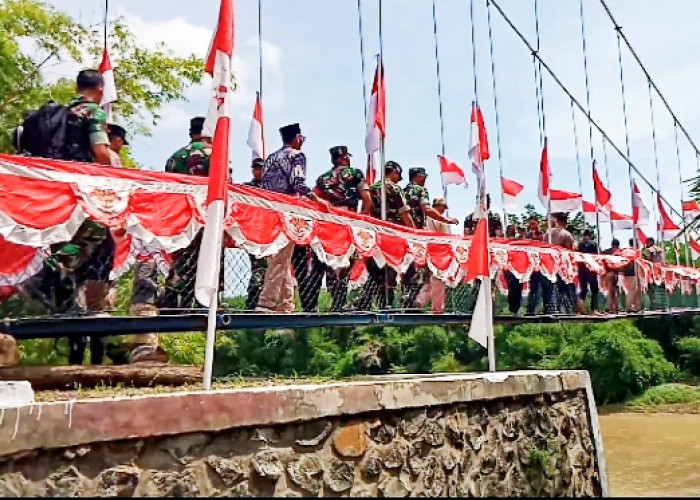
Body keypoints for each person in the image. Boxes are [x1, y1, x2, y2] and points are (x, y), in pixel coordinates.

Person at [24, 70, 115, 365]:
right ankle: (46, 274)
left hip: (53, 192)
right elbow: (100, 151)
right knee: (97, 233)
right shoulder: (92, 113)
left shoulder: (60, 113)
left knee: (69, 259)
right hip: (82, 189)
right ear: (99, 90)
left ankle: (73, 335)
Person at [255, 123, 329, 313]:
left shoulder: (271, 158)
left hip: (269, 209)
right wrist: (316, 199)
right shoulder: (297, 156)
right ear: (296, 138)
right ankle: (266, 302)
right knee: (280, 258)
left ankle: (286, 304)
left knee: (283, 257)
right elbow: (297, 182)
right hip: (287, 211)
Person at [159, 117, 213, 311]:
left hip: (179, 217)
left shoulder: (175, 157)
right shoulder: (214, 155)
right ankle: (203, 304)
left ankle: (172, 302)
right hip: (207, 218)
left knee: (179, 259)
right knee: (208, 258)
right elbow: (225, 187)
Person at [313, 146, 371, 311]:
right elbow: (367, 198)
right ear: (345, 157)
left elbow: (314, 199)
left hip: (329, 223)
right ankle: (340, 300)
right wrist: (363, 218)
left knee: (331, 259)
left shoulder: (322, 178)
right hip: (349, 221)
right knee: (348, 259)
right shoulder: (355, 173)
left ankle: (335, 300)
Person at [358, 162, 414, 310]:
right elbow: (404, 213)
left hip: (374, 234)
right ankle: (386, 305)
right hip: (392, 236)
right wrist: (414, 233)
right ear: (394, 172)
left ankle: (366, 302)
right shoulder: (394, 188)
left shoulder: (372, 188)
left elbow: (366, 209)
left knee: (376, 270)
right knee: (390, 270)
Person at [402, 167, 458, 307]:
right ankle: (433, 306)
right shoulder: (421, 192)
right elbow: (426, 210)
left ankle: (412, 300)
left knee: (414, 273)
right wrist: (446, 220)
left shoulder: (403, 191)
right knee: (436, 278)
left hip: (405, 235)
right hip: (433, 250)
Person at [414, 198, 452, 313]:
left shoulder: (427, 219)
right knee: (438, 279)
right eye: (443, 207)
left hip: (428, 251)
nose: (444, 210)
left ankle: (420, 301)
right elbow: (445, 238)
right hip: (439, 253)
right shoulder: (439, 220)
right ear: (438, 206)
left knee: (429, 280)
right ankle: (438, 307)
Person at [243, 158, 267, 310]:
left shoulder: (271, 188)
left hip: (270, 232)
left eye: (261, 168)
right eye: (256, 168)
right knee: (259, 269)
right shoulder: (247, 188)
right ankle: (253, 302)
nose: (259, 171)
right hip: (254, 233)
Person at [545, 212, 577, 314]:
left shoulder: (548, 233)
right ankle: (566, 309)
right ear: (565, 222)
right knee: (563, 287)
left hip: (549, 263)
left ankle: (550, 308)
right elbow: (569, 251)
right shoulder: (566, 234)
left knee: (550, 287)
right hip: (562, 264)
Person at [576, 229, 600, 314]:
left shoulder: (579, 244)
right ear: (590, 236)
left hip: (581, 270)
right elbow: (597, 257)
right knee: (595, 290)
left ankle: (580, 309)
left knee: (583, 290)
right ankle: (594, 310)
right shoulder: (593, 244)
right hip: (591, 270)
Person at [642, 237, 667, 310]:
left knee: (651, 289)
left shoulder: (648, 250)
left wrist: (644, 255)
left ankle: (653, 305)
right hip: (661, 270)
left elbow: (648, 260)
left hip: (652, 270)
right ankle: (663, 305)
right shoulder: (661, 250)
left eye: (647, 242)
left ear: (650, 242)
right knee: (661, 288)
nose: (646, 244)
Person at [601, 238, 621, 314]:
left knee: (610, 291)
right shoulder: (618, 252)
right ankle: (613, 308)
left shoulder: (605, 252)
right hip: (614, 273)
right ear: (618, 245)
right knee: (614, 291)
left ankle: (611, 308)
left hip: (606, 273)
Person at [621, 238, 641, 312]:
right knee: (632, 291)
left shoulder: (625, 251)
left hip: (625, 273)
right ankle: (629, 307)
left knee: (632, 290)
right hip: (633, 273)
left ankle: (635, 306)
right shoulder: (635, 252)